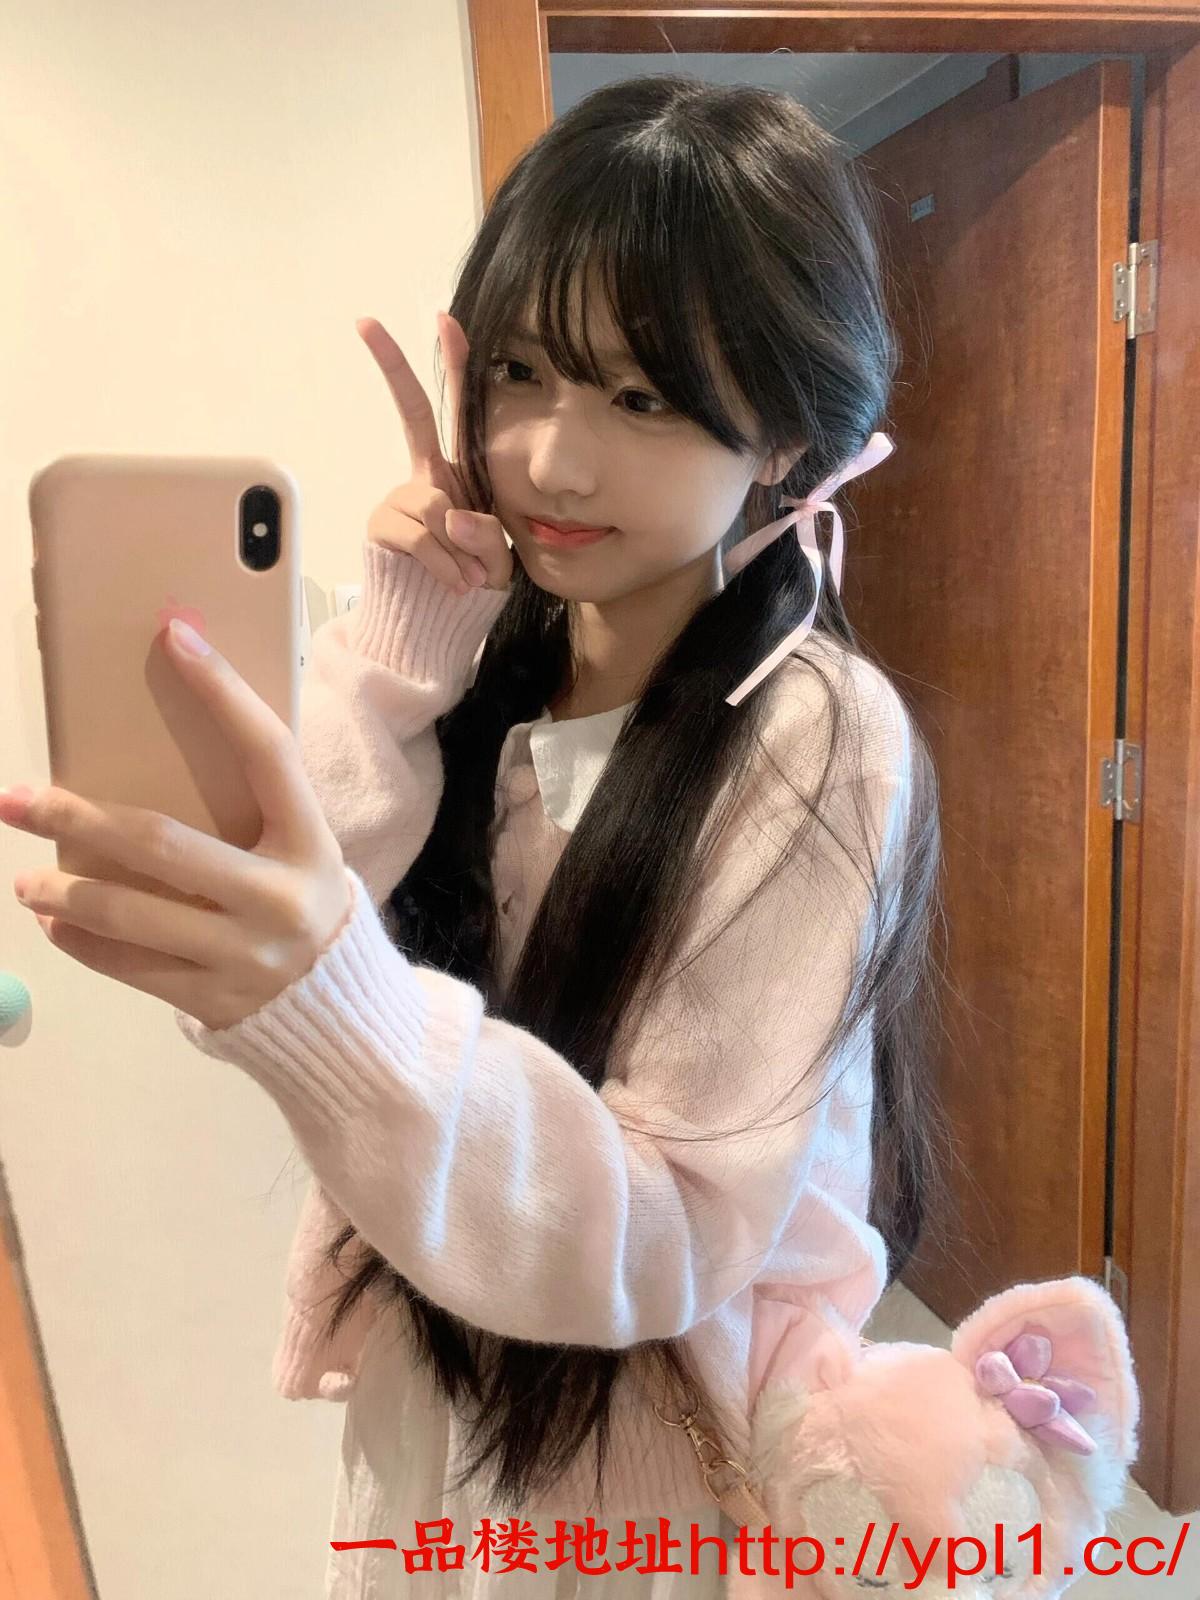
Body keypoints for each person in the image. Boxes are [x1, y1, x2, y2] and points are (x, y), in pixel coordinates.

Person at [174, 74, 947, 1597]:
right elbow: (270, 931)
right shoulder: (478, 655)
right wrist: (405, 639)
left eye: (643, 398)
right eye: (521, 372)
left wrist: (313, 984)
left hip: (655, 1472)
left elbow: (666, 1236)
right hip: (447, 1407)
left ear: (788, 438)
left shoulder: (813, 732)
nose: (548, 459)